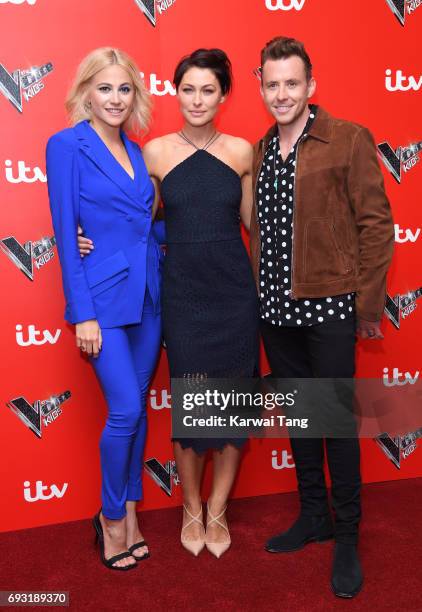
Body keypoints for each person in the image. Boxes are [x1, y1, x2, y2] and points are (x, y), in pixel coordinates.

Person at [78, 48, 260, 558]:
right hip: (181, 296)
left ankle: (217, 510)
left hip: (233, 297)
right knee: (193, 410)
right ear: (174, 92)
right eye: (188, 89)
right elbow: (133, 221)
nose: (197, 99)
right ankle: (191, 505)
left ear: (223, 95)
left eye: (208, 90)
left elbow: (257, 230)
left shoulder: (243, 152)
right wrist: (78, 234)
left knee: (230, 410)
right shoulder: (153, 153)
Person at [250, 37, 394, 597]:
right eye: (272, 84)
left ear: (311, 86)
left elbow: (377, 227)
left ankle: (349, 534)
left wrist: (366, 307)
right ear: (262, 88)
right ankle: (315, 516)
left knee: (332, 422)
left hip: (331, 305)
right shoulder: (263, 150)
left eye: (292, 83)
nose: (281, 93)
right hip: (276, 311)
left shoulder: (348, 138)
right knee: (301, 419)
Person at [46, 47, 163, 571]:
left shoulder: (138, 153)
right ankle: (111, 518)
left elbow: (145, 226)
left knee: (136, 415)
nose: (115, 98)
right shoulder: (66, 146)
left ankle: (132, 513)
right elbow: (64, 235)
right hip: (103, 302)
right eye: (105, 88)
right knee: (127, 411)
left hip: (149, 301)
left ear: (134, 94)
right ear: (86, 92)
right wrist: (83, 313)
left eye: (124, 89)